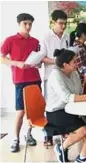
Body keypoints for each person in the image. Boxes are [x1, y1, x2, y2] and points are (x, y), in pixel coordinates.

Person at [45, 49, 86, 162]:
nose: (77, 64)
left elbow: (79, 93)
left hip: (73, 109)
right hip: (57, 111)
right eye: (74, 62)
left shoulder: (74, 73)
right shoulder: (55, 75)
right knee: (83, 130)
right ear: (65, 65)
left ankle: (83, 156)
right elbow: (67, 97)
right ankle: (61, 148)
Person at [1, 13, 41, 153]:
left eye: (30, 24)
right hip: (20, 80)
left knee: (33, 111)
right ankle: (15, 139)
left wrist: (38, 63)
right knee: (20, 111)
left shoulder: (35, 41)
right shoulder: (10, 40)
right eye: (25, 23)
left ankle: (28, 135)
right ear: (19, 24)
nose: (28, 26)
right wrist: (16, 63)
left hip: (35, 78)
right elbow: (1, 58)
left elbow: (38, 59)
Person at [39, 9, 70, 146]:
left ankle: (63, 130)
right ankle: (49, 135)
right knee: (50, 107)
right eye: (61, 23)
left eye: (65, 23)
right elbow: (42, 58)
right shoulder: (45, 37)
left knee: (63, 103)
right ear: (53, 22)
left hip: (64, 76)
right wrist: (56, 62)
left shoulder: (67, 36)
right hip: (50, 76)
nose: (63, 26)